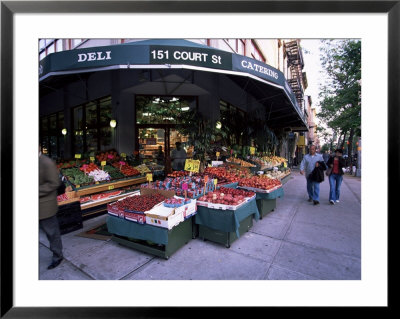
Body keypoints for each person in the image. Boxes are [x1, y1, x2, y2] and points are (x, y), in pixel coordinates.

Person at [39, 146, 64, 269]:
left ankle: (57, 256)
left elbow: (54, 183)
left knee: (52, 233)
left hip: (45, 206)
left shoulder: (46, 162)